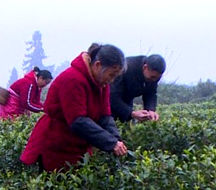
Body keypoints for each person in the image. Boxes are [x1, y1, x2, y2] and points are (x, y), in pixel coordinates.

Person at [21, 44, 128, 172]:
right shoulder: (73, 79)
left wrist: (115, 139)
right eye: (111, 75)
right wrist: (110, 143)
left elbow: (104, 116)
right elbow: (78, 121)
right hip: (57, 144)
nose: (112, 80)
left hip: (78, 146)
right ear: (98, 65)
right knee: (57, 184)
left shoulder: (101, 83)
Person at [110, 54, 166, 122]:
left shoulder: (152, 77)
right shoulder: (126, 68)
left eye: (157, 78)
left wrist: (150, 110)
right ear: (145, 67)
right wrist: (131, 113)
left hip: (127, 100)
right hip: (109, 102)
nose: (154, 80)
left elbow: (151, 93)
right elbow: (113, 97)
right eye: (153, 77)